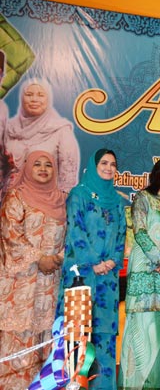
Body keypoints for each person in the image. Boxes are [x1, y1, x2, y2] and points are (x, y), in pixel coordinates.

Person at [118, 155, 160, 390]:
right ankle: (135, 383)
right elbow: (140, 231)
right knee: (142, 323)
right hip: (144, 269)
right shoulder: (143, 198)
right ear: (159, 171)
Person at [60, 149, 127, 390]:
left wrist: (112, 261)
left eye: (113, 164)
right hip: (82, 276)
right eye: (104, 163)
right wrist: (93, 262)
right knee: (79, 337)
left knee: (106, 338)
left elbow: (122, 234)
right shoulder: (79, 195)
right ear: (93, 165)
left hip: (108, 279)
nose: (109, 167)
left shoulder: (118, 200)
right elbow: (75, 231)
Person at [0, 150, 66, 389]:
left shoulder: (61, 200)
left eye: (48, 165)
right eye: (37, 164)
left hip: (50, 283)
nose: (43, 169)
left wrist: (58, 257)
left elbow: (73, 236)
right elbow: (10, 235)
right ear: (27, 167)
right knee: (20, 339)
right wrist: (39, 258)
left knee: (46, 338)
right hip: (20, 284)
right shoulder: (15, 197)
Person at [3, 79, 80, 193]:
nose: (34, 99)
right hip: (9, 200)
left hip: (44, 202)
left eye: (41, 95)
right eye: (29, 94)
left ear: (48, 99)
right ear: (21, 98)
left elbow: (68, 178)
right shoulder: (10, 129)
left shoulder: (61, 130)